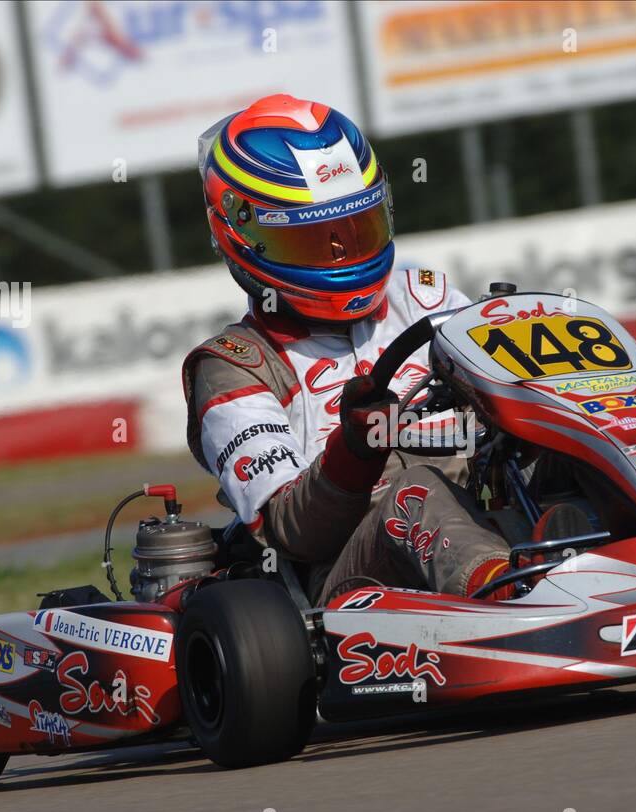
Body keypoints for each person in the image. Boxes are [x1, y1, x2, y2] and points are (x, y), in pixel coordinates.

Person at [183, 94, 562, 604]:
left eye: (357, 230)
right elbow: (294, 531)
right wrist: (355, 452)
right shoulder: (233, 367)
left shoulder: (425, 298)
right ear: (245, 236)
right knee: (416, 492)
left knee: (568, 444)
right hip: (353, 580)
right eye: (313, 241)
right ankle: (515, 601)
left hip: (486, 515)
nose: (344, 255)